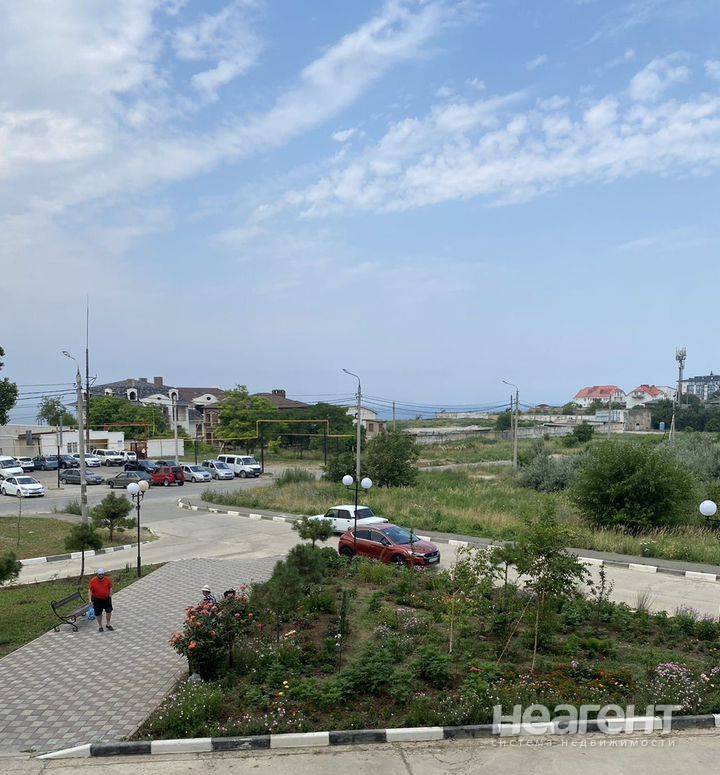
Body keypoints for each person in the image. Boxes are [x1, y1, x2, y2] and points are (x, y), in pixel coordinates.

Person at [89, 568, 113, 633]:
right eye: (99, 574)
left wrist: (110, 594)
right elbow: (90, 591)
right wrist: (90, 600)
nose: (101, 576)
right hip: (97, 600)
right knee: (98, 613)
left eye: (102, 574)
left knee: (109, 611)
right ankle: (100, 626)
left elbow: (110, 587)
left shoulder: (108, 580)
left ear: (104, 574)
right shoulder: (93, 581)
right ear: (97, 574)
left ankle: (108, 624)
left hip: (106, 599)